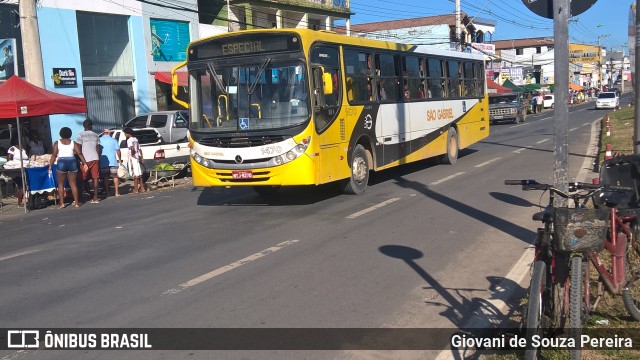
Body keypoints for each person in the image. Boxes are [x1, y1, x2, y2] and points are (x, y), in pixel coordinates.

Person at [48, 127, 88, 208]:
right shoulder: (73, 142)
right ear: (70, 134)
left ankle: (62, 203)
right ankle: (76, 203)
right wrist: (85, 163)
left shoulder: (57, 142)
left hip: (62, 161)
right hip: (72, 161)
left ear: (60, 134)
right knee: (73, 184)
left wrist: (50, 165)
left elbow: (54, 155)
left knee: (61, 184)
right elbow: (79, 153)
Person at [76, 119, 101, 203]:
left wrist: (80, 160)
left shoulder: (80, 135)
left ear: (84, 126)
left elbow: (78, 149)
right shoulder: (96, 135)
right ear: (91, 126)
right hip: (95, 158)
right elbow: (98, 148)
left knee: (82, 179)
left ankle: (80, 198)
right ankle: (96, 198)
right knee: (95, 178)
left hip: (85, 160)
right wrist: (98, 158)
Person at [99, 129, 122, 197]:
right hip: (113, 161)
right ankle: (117, 192)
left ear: (103, 133)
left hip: (103, 162)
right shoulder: (113, 140)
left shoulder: (99, 140)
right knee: (115, 176)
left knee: (106, 177)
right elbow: (118, 151)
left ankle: (108, 193)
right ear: (109, 133)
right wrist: (120, 159)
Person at [123, 127, 146, 194]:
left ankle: (136, 189)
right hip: (137, 157)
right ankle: (142, 188)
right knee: (139, 173)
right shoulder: (135, 139)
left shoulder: (129, 140)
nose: (125, 135)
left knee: (134, 174)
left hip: (132, 158)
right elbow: (140, 149)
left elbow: (132, 148)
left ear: (128, 133)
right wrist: (142, 157)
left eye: (125, 133)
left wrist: (132, 154)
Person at [7, 137, 28, 206]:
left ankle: (24, 199)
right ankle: (19, 201)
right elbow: (9, 159)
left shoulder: (23, 149)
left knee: (25, 184)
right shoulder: (12, 149)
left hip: (23, 169)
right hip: (15, 170)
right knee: (21, 185)